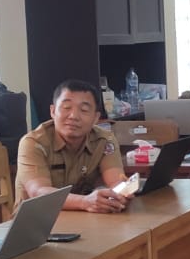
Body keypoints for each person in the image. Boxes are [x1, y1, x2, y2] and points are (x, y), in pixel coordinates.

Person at [17, 79, 130, 212]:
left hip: (82, 217)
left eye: (84, 110)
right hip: (36, 219)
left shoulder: (104, 140)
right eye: (66, 107)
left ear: (95, 117)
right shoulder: (33, 143)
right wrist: (84, 202)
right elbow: (38, 192)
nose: (73, 116)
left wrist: (122, 192)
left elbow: (115, 181)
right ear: (53, 111)